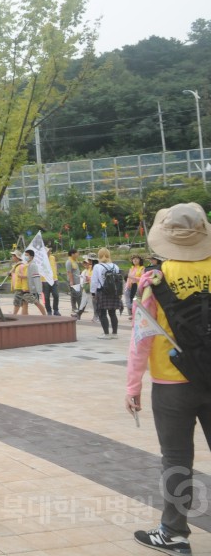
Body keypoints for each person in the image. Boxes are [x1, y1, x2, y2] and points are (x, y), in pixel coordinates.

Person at [126, 203, 211, 554]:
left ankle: (174, 533)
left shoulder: (154, 277)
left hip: (171, 383)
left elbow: (141, 336)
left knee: (176, 459)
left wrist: (132, 386)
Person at [90, 247, 122, 338]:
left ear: (99, 256)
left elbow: (94, 281)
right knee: (112, 313)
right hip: (114, 292)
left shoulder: (97, 266)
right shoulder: (115, 266)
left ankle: (106, 334)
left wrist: (93, 292)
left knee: (102, 313)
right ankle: (115, 333)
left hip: (102, 292)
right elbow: (119, 280)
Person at [24, 249, 47, 315]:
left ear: (31, 256)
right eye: (25, 255)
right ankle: (25, 317)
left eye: (27, 255)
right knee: (25, 302)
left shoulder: (33, 265)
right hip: (28, 287)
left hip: (32, 288)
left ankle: (44, 315)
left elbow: (36, 277)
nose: (25, 256)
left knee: (36, 303)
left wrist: (37, 289)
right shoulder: (28, 264)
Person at [126, 254, 144, 319]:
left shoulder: (142, 268)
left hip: (138, 285)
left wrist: (132, 277)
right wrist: (127, 286)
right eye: (133, 259)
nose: (135, 260)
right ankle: (133, 314)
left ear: (140, 260)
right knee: (131, 299)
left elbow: (142, 278)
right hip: (131, 286)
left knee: (136, 300)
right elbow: (128, 278)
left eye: (137, 259)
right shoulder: (132, 268)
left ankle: (136, 314)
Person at [65, 249, 82, 316]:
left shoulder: (75, 261)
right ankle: (74, 308)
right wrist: (71, 281)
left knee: (78, 295)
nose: (78, 254)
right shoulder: (69, 262)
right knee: (75, 295)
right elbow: (69, 272)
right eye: (76, 253)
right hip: (73, 281)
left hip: (78, 281)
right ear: (72, 254)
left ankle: (80, 308)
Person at [44, 250, 61, 316]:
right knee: (46, 297)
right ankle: (49, 311)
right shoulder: (41, 259)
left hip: (54, 279)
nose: (49, 252)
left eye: (49, 251)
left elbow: (55, 266)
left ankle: (56, 310)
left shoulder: (52, 257)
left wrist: (56, 275)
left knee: (56, 295)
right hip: (44, 280)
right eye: (47, 251)